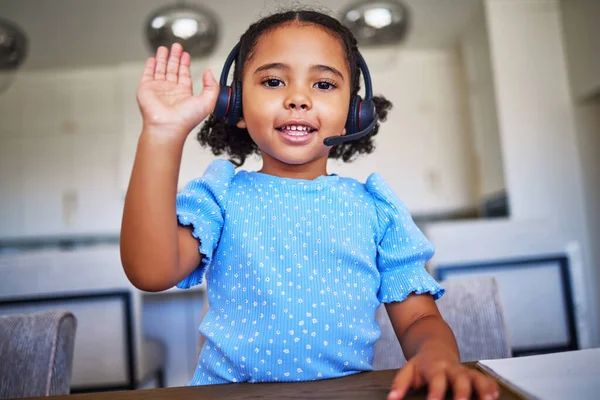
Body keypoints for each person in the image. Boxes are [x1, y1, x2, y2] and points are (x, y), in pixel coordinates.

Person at [120, 9, 499, 400]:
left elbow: (418, 316)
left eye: (322, 84)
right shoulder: (221, 196)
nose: (298, 98)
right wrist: (161, 135)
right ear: (235, 107)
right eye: (272, 81)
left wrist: (437, 355)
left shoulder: (375, 209)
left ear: (354, 113)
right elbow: (150, 272)